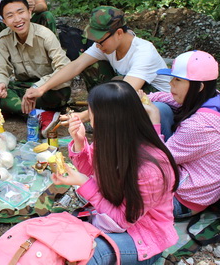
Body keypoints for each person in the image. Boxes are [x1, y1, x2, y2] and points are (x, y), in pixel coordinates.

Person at [53, 81, 179, 264]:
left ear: (107, 119)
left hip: (143, 236)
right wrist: (79, 142)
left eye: (91, 113)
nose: (89, 119)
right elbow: (91, 170)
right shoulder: (112, 139)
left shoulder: (150, 169)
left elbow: (122, 220)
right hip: (108, 218)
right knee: (56, 230)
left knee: (87, 253)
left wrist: (83, 183)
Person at [23, 6, 171, 121]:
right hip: (129, 96)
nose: (98, 46)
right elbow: (76, 66)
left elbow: (125, 94)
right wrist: (41, 89)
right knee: (94, 67)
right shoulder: (107, 44)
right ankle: (103, 116)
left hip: (158, 103)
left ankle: (104, 117)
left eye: (100, 41)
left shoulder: (143, 52)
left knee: (122, 86)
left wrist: (84, 116)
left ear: (119, 33)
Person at [147, 50, 220, 218]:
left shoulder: (199, 126)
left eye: (178, 80)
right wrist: (145, 98)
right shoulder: (214, 99)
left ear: (199, 87)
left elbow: (158, 159)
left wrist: (155, 123)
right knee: (160, 107)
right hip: (193, 180)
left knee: (123, 182)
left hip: (183, 199)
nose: (171, 83)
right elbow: (169, 98)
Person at [0, 0, 71, 115]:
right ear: (5, 21)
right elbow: (0, 68)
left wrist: (38, 87)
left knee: (62, 93)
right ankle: (34, 113)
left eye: (20, 12)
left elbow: (64, 68)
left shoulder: (45, 36)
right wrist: (1, 83)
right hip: (23, 87)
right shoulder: (4, 38)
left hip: (45, 88)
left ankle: (15, 107)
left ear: (29, 13)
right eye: (10, 16)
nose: (17, 19)